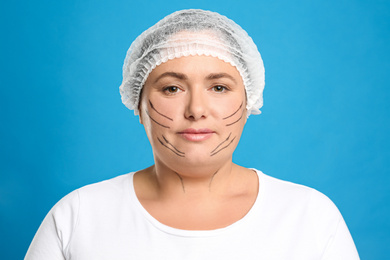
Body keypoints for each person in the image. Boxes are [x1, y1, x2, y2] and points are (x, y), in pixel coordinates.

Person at [25, 9, 359, 259]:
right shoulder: (79, 216)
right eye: (171, 88)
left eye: (218, 87)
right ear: (138, 105)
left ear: (249, 103)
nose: (196, 109)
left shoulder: (309, 216)